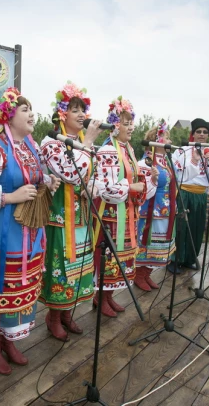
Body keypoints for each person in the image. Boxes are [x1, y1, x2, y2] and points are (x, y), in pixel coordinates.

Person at [0, 87, 60, 375]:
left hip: (28, 233)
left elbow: (35, 177)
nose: (32, 114)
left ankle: (8, 338)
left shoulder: (31, 145)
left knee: (20, 286)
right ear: (8, 116)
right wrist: (9, 197)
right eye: (25, 109)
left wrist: (47, 183)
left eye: (31, 109)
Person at [39, 81, 103, 341]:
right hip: (59, 220)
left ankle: (67, 314)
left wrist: (94, 187)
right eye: (74, 109)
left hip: (81, 218)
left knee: (78, 269)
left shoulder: (82, 144)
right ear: (62, 113)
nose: (81, 114)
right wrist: (87, 142)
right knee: (60, 269)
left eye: (83, 110)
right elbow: (69, 173)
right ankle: (53, 316)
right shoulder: (52, 143)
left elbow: (88, 177)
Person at [92, 97, 146, 316]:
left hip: (126, 214)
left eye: (131, 121)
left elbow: (134, 177)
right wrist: (132, 186)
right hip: (111, 215)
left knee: (120, 256)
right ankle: (100, 296)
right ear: (114, 125)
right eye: (125, 122)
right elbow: (106, 189)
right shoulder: (108, 150)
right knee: (109, 257)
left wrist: (143, 181)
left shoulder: (127, 149)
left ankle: (109, 296)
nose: (131, 127)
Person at [136, 122, 200, 288]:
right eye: (167, 137)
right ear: (157, 140)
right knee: (148, 243)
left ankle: (147, 273)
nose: (170, 140)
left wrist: (194, 161)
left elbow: (182, 176)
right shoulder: (146, 162)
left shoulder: (167, 161)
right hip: (151, 210)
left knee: (160, 245)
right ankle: (139, 275)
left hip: (165, 209)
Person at [171, 118, 209, 271]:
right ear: (193, 134)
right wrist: (195, 162)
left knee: (197, 227)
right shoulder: (182, 150)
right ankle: (175, 259)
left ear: (208, 135)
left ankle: (190, 258)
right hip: (183, 192)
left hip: (201, 195)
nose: (202, 135)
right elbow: (178, 173)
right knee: (181, 227)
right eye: (198, 132)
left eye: (205, 132)